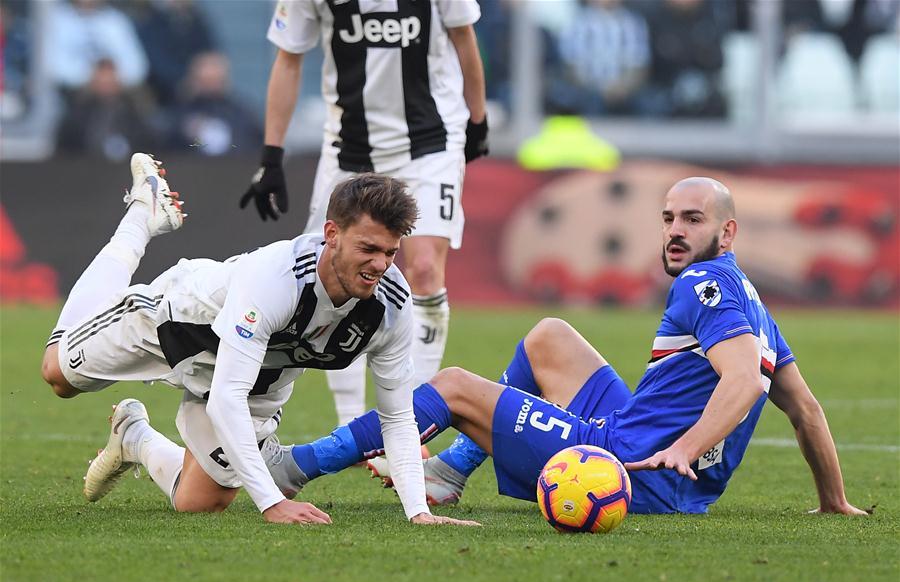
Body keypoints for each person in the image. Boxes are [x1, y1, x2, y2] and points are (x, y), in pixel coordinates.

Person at [264, 177, 867, 516]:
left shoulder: (703, 284)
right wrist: (833, 502)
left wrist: (683, 449)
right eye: (668, 218)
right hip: (651, 451)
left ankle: (295, 467)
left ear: (727, 232)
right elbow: (805, 409)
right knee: (550, 335)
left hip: (630, 467)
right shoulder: (753, 303)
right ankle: (450, 470)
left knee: (451, 386)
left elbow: (742, 382)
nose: (676, 232)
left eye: (693, 220)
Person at [40, 153, 478, 528]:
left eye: (390, 252)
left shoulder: (392, 303)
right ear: (331, 234)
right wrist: (273, 503)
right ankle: (141, 216)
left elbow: (398, 417)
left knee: (200, 502)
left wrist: (417, 512)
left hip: (260, 375)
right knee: (58, 374)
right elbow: (225, 397)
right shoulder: (276, 278)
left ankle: (134, 436)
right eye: (368, 248)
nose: (379, 264)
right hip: (174, 327)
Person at [239, 0, 489, 431]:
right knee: (335, 273)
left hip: (431, 140)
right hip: (349, 149)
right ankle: (351, 425)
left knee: (426, 268)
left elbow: (464, 38)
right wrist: (271, 155)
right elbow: (289, 58)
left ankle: (415, 421)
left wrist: (478, 118)